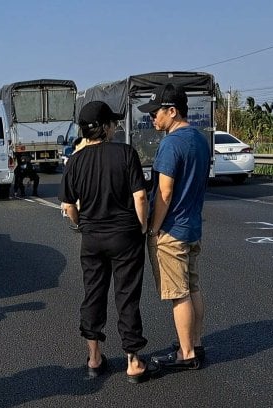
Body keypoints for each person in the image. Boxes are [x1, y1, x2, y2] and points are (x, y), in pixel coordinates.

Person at [61, 101, 154, 383]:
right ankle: (133, 362)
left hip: (92, 238)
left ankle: (94, 357)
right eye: (112, 122)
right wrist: (142, 226)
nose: (115, 126)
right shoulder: (125, 153)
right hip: (125, 236)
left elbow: (68, 205)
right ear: (104, 127)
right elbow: (140, 197)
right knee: (127, 296)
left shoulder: (75, 161)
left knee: (93, 294)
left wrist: (80, 224)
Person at [138, 83, 211, 370]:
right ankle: (195, 342)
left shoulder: (171, 144)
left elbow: (164, 193)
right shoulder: (199, 139)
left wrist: (154, 228)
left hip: (172, 230)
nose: (152, 118)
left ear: (172, 111)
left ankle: (185, 354)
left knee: (178, 295)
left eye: (155, 112)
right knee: (193, 287)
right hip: (192, 226)